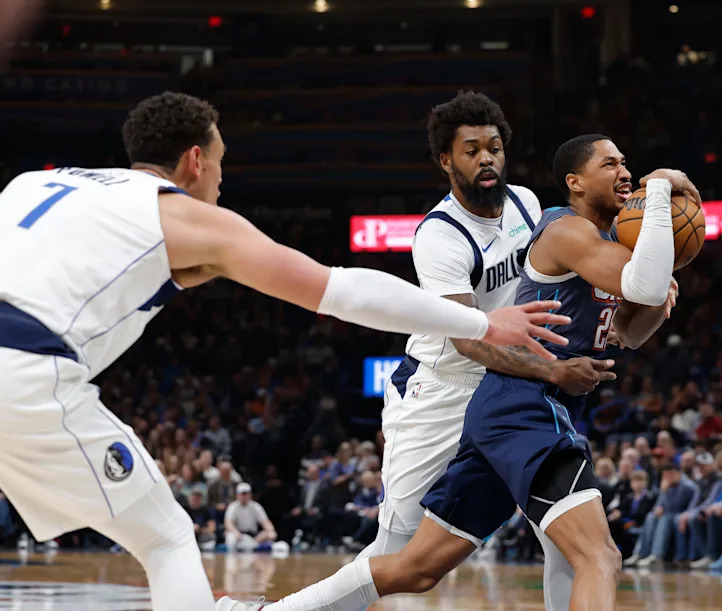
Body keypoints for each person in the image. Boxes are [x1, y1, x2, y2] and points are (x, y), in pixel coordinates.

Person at [0, 92, 570, 611]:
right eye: (221, 163)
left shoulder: (37, 184)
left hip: (22, 358)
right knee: (168, 538)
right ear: (196, 161)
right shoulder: (190, 218)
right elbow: (342, 291)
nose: (221, 181)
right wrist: (481, 323)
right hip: (23, 368)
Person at [224, 137, 696, 610]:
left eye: (626, 163)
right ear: (575, 182)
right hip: (526, 405)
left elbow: (632, 329)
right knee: (598, 556)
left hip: (512, 408)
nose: (626, 172)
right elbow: (644, 282)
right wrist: (661, 190)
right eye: (609, 163)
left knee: (417, 568)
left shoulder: (613, 243)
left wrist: (663, 283)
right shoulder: (565, 230)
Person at [354, 92, 613, 611]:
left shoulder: (527, 204)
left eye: (493, 147)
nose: (486, 158)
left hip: (510, 386)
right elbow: (469, 339)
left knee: (570, 538)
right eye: (471, 150)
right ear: (447, 160)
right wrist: (555, 369)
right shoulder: (439, 236)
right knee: (399, 552)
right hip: (441, 389)